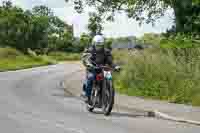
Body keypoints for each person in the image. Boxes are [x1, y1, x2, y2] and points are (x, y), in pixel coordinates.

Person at [81, 34, 120, 102]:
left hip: (103, 69)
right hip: (92, 69)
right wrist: (89, 64)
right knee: (91, 77)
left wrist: (115, 66)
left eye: (100, 45)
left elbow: (110, 61)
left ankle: (106, 95)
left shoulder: (106, 51)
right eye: (97, 45)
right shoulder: (89, 50)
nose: (98, 47)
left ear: (103, 45)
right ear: (93, 43)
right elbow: (85, 59)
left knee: (108, 78)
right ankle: (87, 96)